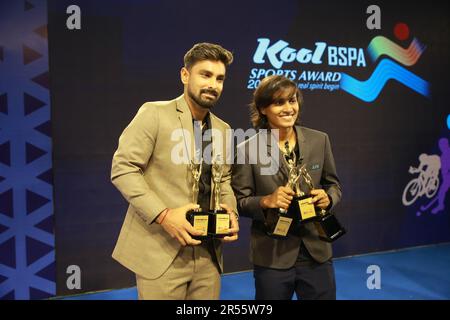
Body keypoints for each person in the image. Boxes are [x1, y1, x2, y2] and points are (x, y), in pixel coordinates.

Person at [111, 43, 239, 300]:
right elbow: (123, 168)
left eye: (219, 78)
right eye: (205, 74)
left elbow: (223, 179)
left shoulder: (224, 129)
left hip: (208, 255)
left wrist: (230, 210)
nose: (213, 84)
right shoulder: (154, 113)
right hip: (161, 252)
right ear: (185, 75)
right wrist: (164, 215)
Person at [232, 75, 342, 300]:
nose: (288, 108)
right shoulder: (247, 149)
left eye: (292, 100)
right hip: (273, 255)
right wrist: (266, 201)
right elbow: (239, 201)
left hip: (316, 252)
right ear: (263, 109)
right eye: (278, 102)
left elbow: (334, 185)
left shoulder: (320, 140)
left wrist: (328, 198)